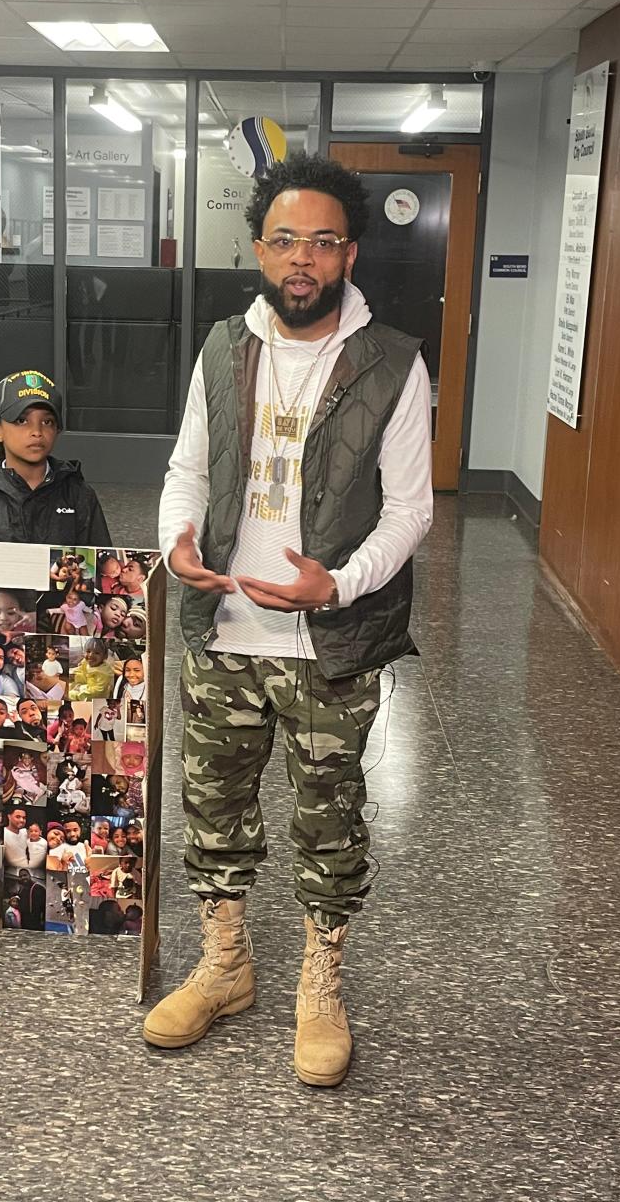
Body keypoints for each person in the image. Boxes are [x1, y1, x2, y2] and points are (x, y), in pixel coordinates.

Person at [143, 153, 433, 1088]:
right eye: (282, 241)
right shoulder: (223, 347)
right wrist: (176, 545)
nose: (299, 259)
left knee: (330, 820)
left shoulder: (393, 362)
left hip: (328, 644)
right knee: (214, 810)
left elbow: (411, 511)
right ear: (259, 249)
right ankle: (227, 967)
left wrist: (338, 585)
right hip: (222, 626)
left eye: (320, 241)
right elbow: (187, 468)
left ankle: (321, 982)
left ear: (348, 252)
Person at [0, 370, 112, 544]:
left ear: (57, 430)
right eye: (21, 421)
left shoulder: (78, 495)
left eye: (47, 422)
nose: (37, 432)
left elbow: (101, 564)